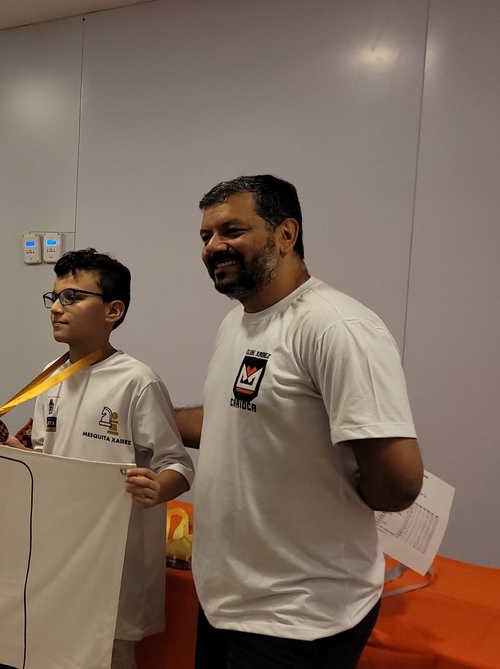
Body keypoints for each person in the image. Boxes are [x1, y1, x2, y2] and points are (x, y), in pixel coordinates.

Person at [176, 175, 424, 668]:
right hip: (227, 601)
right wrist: (142, 415)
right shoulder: (237, 323)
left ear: (286, 234)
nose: (213, 246)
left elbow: (398, 483)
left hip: (299, 617)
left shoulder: (336, 326)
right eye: (206, 236)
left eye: (231, 230)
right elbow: (236, 421)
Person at [0, 248, 194, 669]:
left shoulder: (136, 381)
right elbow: (47, 459)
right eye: (54, 298)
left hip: (113, 559)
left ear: (113, 311)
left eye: (72, 297)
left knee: (109, 654)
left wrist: (158, 488)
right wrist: (12, 449)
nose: (56, 308)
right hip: (56, 548)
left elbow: (179, 465)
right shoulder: (50, 377)